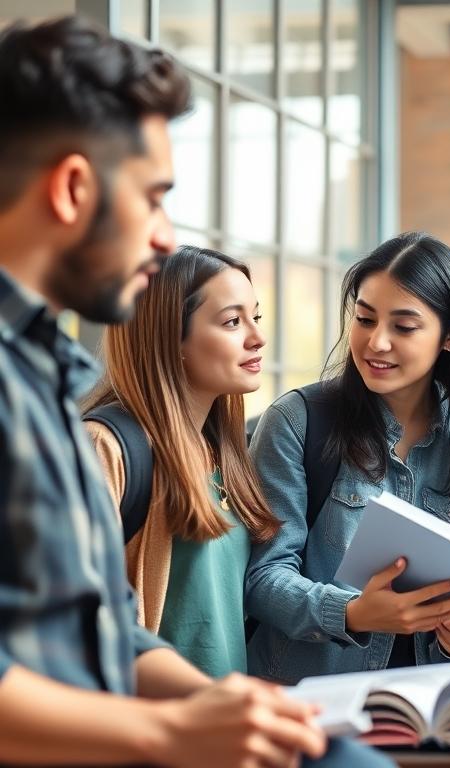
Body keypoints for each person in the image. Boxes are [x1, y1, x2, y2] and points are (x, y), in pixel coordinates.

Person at [0, 15, 355, 765]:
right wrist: (168, 733)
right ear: (71, 188)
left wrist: (226, 705)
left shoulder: (42, 386)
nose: (165, 236)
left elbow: (107, 631)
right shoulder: (89, 429)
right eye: (153, 196)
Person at [246, 232, 450, 683]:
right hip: (312, 702)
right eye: (365, 319)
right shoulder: (297, 421)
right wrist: (354, 613)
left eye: (403, 327)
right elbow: (263, 578)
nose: (376, 343)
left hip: (427, 703)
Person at [84, 245, 277, 679]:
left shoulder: (225, 452)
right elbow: (83, 624)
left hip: (226, 724)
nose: (257, 337)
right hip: (156, 728)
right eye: (232, 321)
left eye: (256, 318)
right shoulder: (106, 449)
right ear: (172, 337)